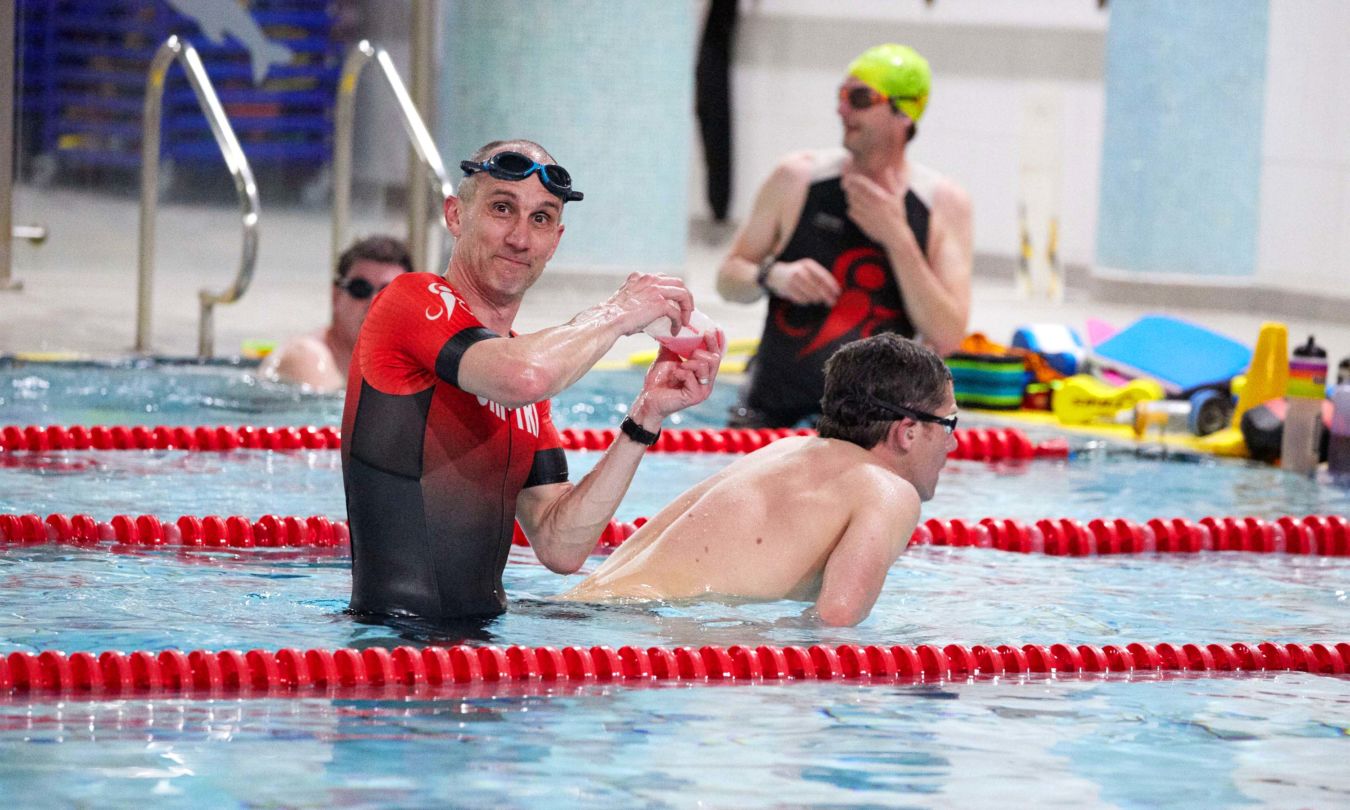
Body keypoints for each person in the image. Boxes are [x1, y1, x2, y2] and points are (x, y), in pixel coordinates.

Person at [341, 139, 725, 621]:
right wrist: (618, 311)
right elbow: (525, 375)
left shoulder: (522, 378)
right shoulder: (410, 301)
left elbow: (560, 545)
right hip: (392, 655)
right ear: (456, 216)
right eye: (503, 208)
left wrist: (644, 417)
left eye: (540, 219)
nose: (520, 238)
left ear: (556, 240)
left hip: (484, 653)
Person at [559, 334, 955, 627]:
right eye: (949, 423)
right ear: (908, 431)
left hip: (578, 610)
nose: (953, 443)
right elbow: (836, 625)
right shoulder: (888, 490)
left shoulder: (783, 451)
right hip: (636, 631)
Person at [716, 43, 973, 428]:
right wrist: (773, 276)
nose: (842, 109)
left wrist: (897, 237)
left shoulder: (943, 204)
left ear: (904, 111)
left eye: (859, 98)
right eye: (841, 95)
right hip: (769, 413)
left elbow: (947, 334)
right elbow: (727, 280)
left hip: (873, 426)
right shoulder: (796, 179)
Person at [259, 236, 413, 392]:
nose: (373, 302)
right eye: (360, 289)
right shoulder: (310, 357)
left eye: (389, 293)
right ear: (336, 296)